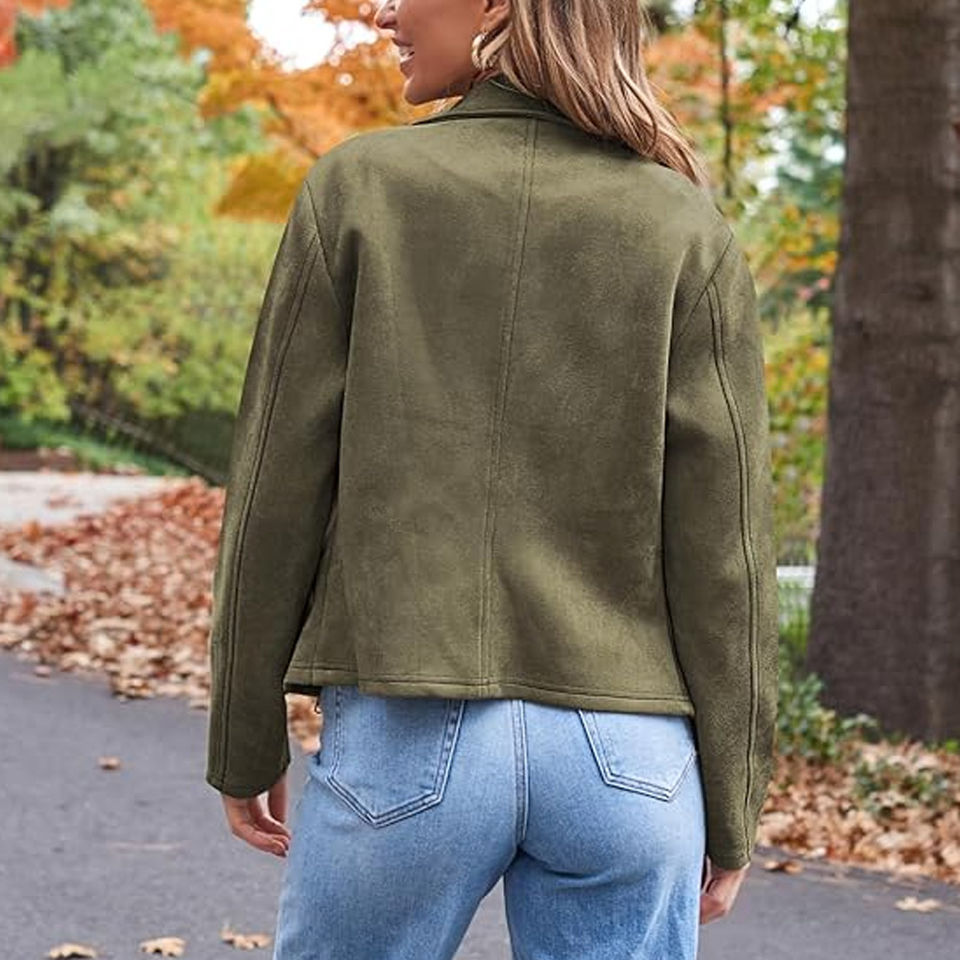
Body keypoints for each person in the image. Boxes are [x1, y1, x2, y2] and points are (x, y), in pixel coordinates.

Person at [204, 0, 780, 957]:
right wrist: (733, 797)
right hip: (628, 760)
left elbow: (276, 487)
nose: (382, 11)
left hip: (406, 739)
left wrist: (242, 730)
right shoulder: (684, 225)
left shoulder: (358, 189)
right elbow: (729, 552)